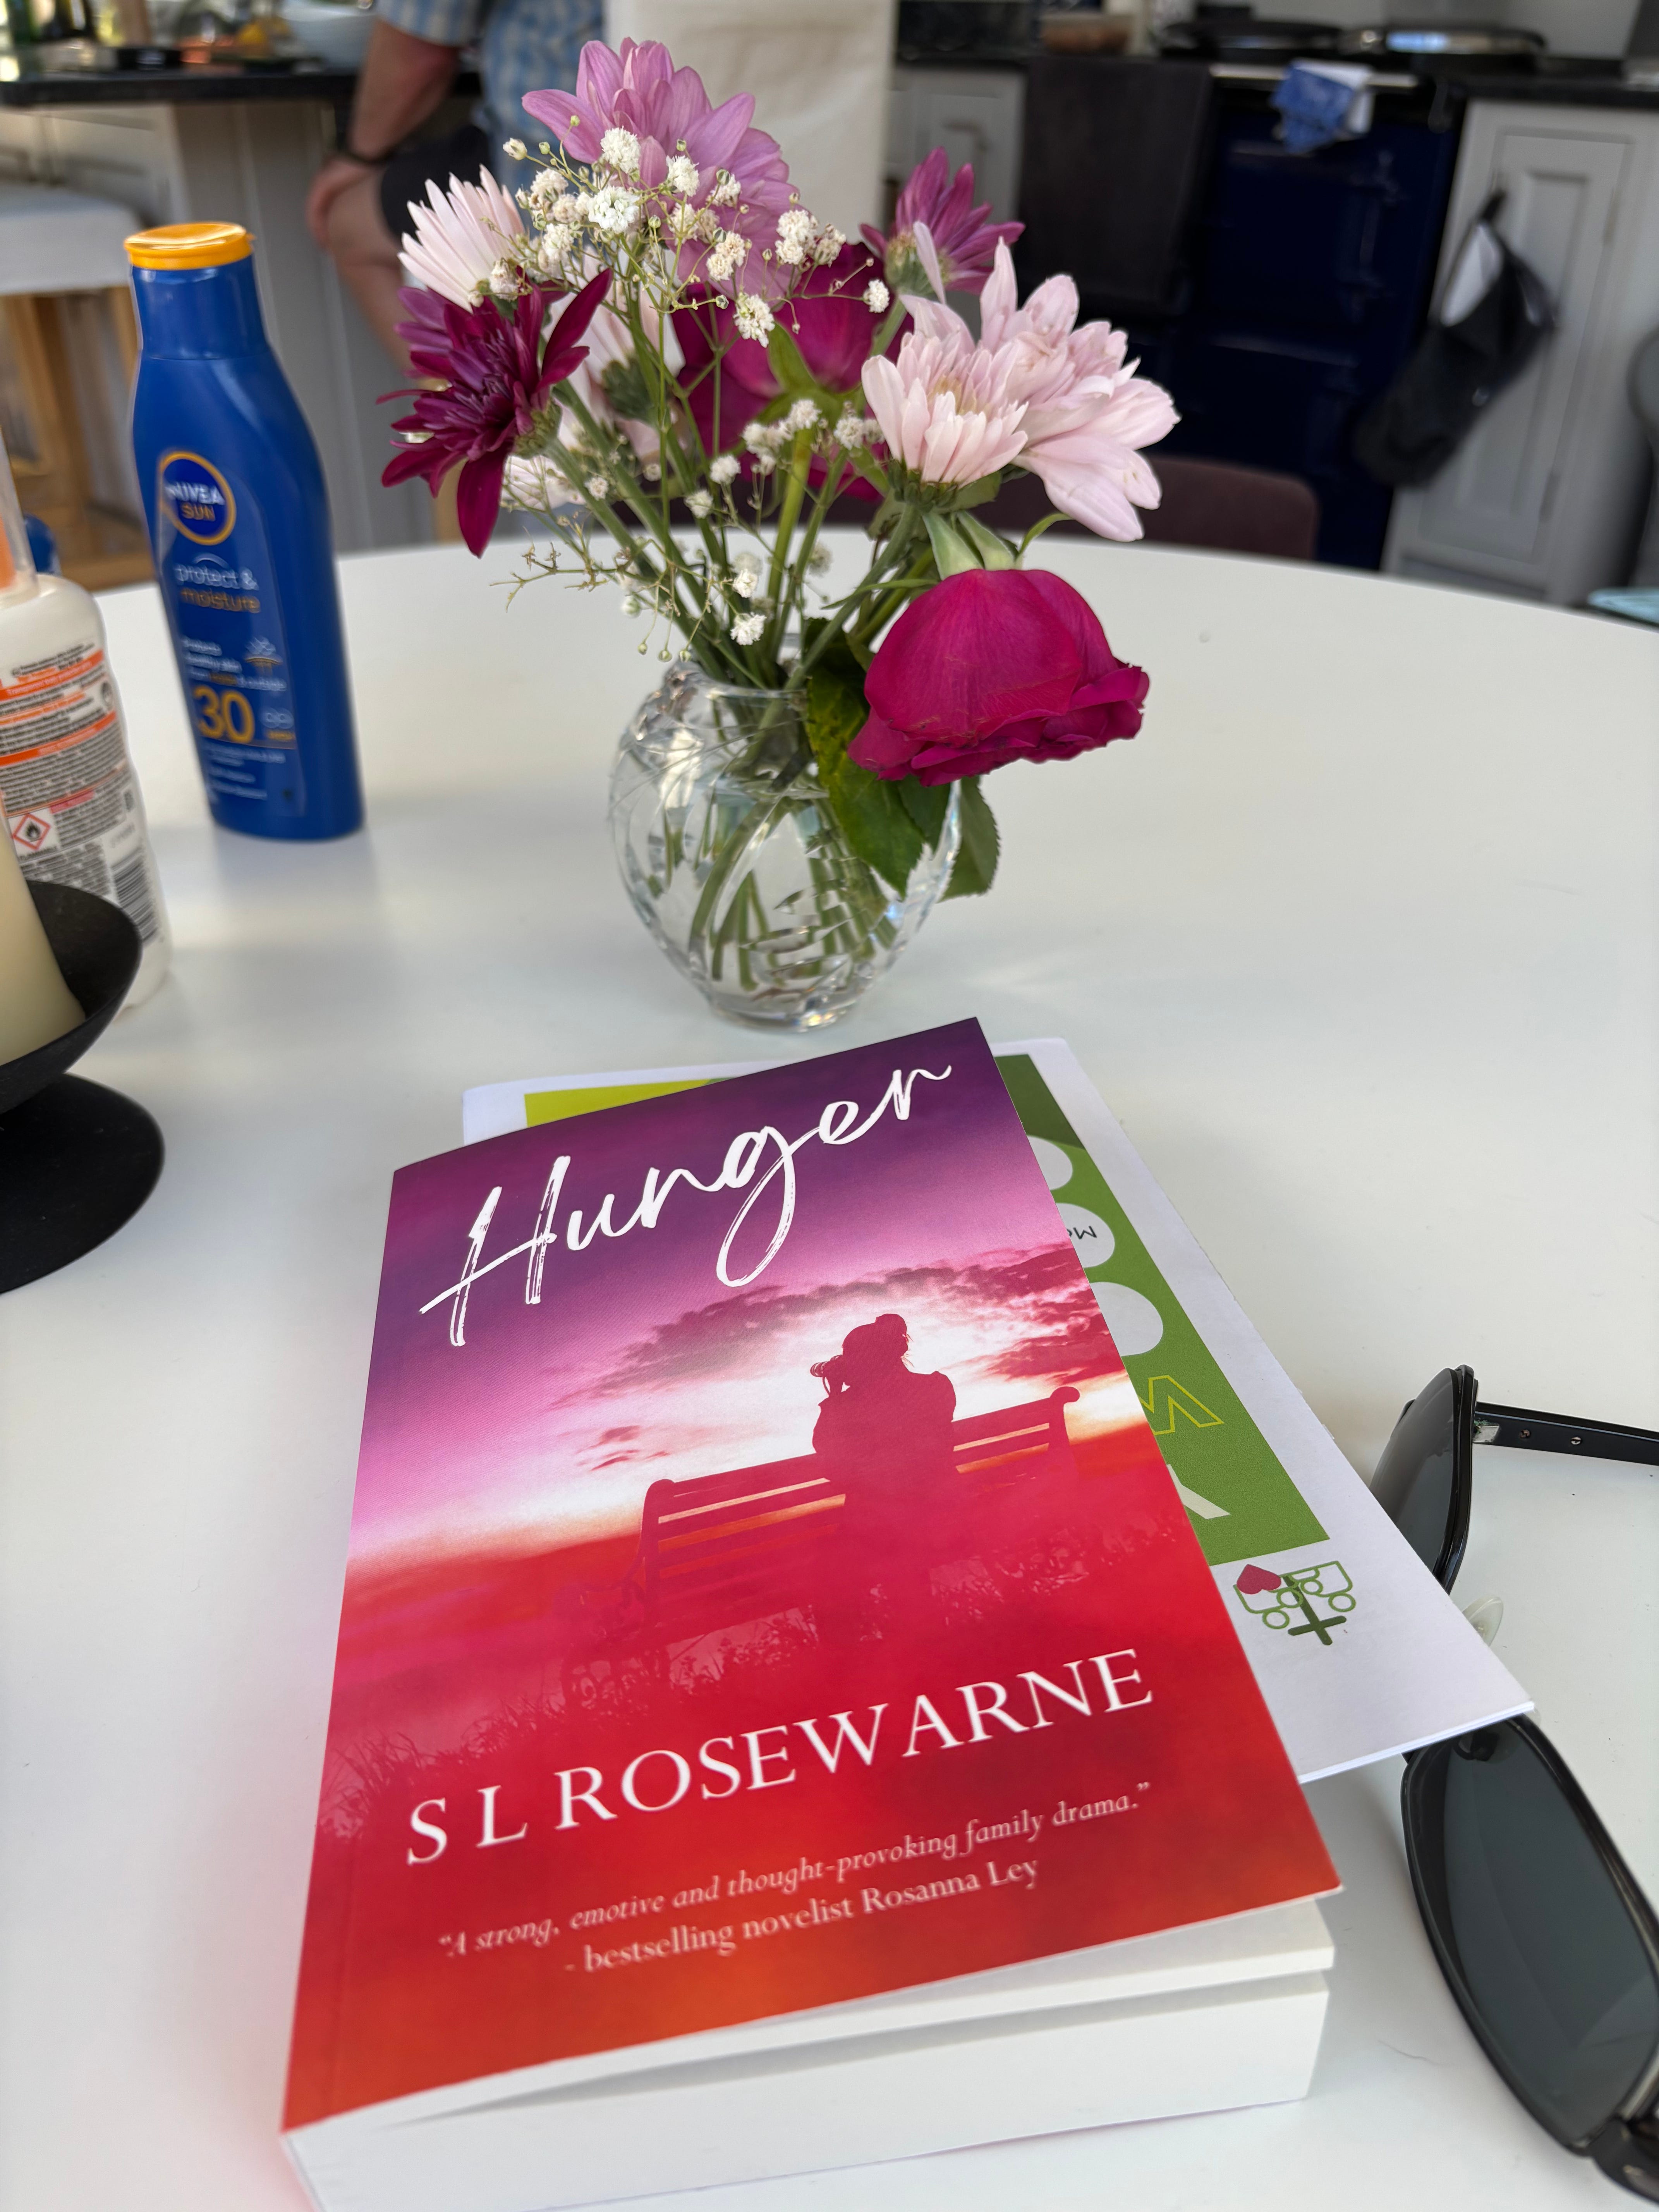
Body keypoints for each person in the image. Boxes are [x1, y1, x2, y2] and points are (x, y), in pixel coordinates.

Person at [304, 0, 601, 371]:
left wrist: (358, 155)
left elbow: (418, 52)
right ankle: (486, 390)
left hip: (541, 155)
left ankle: (474, 395)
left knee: (348, 223)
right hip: (616, 153)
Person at [811, 1314, 957, 1630]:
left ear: (858, 1364)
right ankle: (928, 1633)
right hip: (946, 1510)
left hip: (885, 1526)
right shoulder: (936, 1387)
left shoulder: (848, 1408)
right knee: (897, 1544)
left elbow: (829, 1463)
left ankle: (866, 1651)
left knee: (827, 1570)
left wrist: (837, 1396)